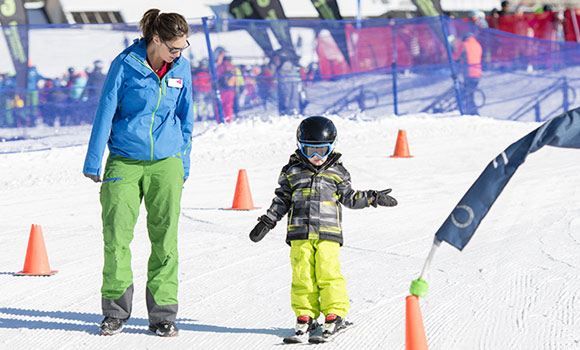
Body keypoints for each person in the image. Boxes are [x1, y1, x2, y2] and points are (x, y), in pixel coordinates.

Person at [82, 8, 194, 337]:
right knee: (116, 237)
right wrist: (93, 159)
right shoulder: (126, 64)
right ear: (156, 40)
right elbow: (106, 109)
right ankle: (115, 312)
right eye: (174, 48)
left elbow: (186, 119)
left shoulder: (181, 69)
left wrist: (183, 162)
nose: (178, 54)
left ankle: (163, 315)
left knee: (165, 240)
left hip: (167, 163)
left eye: (183, 48)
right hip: (125, 160)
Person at [248, 116, 398, 341]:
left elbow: (350, 198)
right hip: (299, 234)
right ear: (300, 147)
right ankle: (305, 317)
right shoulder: (292, 171)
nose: (316, 157)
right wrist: (268, 221)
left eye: (322, 150)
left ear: (332, 147)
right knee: (303, 276)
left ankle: (334, 315)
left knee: (328, 273)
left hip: (329, 234)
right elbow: (281, 200)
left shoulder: (338, 172)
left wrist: (372, 197)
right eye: (310, 151)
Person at [453, 32, 483, 115]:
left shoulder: (464, 45)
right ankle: (471, 111)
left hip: (469, 73)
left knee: (468, 94)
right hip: (478, 73)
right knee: (470, 93)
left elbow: (456, 57)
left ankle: (472, 112)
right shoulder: (477, 45)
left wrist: (452, 50)